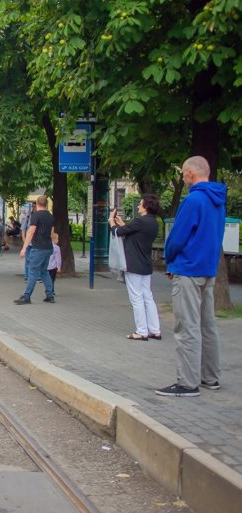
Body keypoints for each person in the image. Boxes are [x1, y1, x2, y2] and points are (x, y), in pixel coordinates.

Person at [157, 156, 227, 397]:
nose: (184, 178)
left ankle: (188, 383)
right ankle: (211, 377)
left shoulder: (193, 200)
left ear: (190, 174)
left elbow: (177, 237)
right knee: (208, 325)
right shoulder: (218, 200)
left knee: (187, 327)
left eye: (184, 174)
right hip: (208, 268)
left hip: (188, 269)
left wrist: (170, 258)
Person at [110, 194, 162, 341]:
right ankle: (155, 330)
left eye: (140, 204)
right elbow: (133, 233)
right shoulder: (153, 222)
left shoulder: (140, 221)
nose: (138, 206)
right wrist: (123, 224)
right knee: (148, 297)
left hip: (133, 264)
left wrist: (111, 221)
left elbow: (117, 232)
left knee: (136, 298)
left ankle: (141, 331)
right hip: (145, 264)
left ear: (146, 206)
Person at [14, 195, 55, 305]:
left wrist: (24, 248)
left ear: (36, 204)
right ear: (46, 204)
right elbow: (51, 233)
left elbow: (31, 231)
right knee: (44, 271)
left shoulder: (36, 215)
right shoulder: (50, 216)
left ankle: (26, 296)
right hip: (48, 247)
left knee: (32, 271)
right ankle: (50, 295)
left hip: (38, 248)